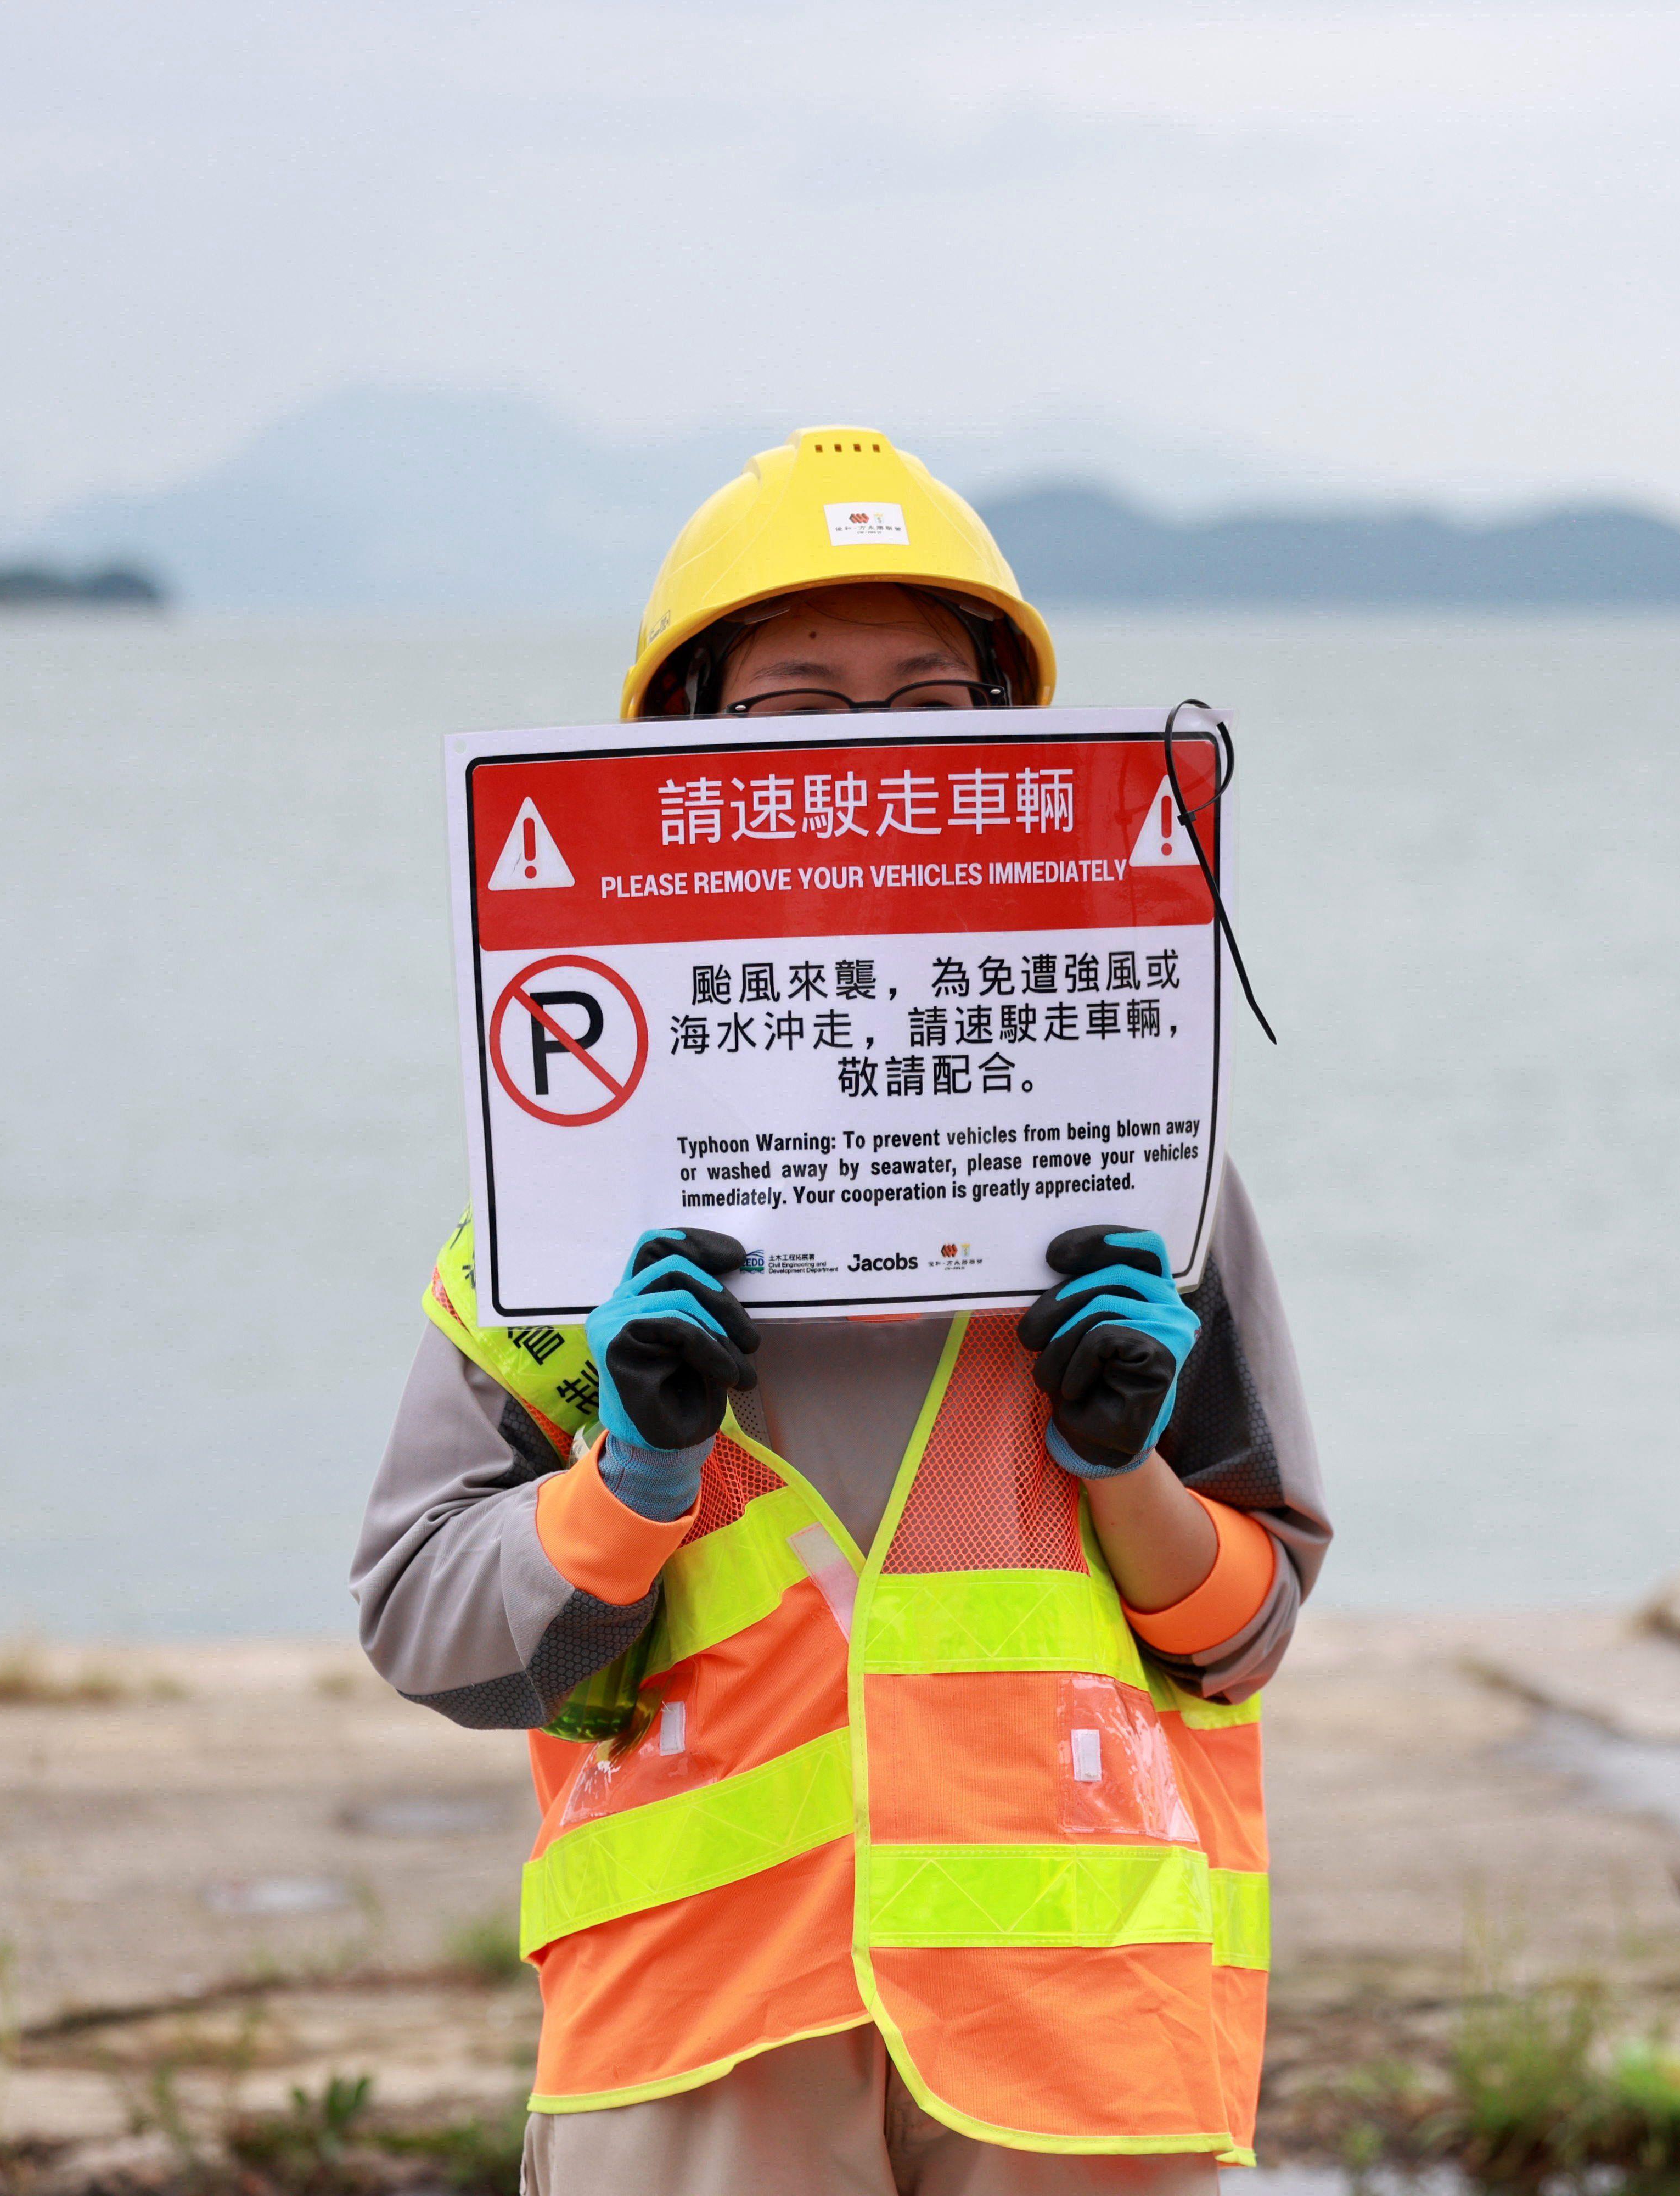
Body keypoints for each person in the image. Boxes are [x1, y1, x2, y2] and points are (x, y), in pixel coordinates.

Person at [352, 427, 1329, 2194]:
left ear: (1013, 747)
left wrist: (1127, 1475)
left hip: (1078, 2049)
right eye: (797, 705)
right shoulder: (570, 1184)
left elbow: (1250, 1630)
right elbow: (429, 1625)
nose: (870, 757)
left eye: (933, 703)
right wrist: (632, 1480)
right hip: (706, 2033)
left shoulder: (1137, 1160)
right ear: (679, 750)